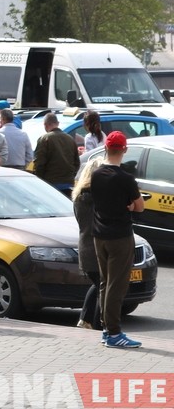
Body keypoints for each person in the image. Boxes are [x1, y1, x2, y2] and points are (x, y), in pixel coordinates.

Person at [90, 131, 145, 348]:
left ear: (105, 148)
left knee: (105, 283)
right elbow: (140, 206)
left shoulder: (96, 174)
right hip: (120, 236)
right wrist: (130, 205)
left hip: (99, 235)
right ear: (124, 150)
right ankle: (114, 333)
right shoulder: (125, 178)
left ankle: (106, 329)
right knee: (117, 285)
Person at [73, 157, 106, 332]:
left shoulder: (79, 196)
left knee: (98, 283)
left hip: (85, 246)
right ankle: (95, 322)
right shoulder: (95, 197)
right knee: (102, 283)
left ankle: (86, 320)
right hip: (96, 246)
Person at [34, 112, 80, 194]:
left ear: (45, 124)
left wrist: (39, 180)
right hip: (68, 183)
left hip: (50, 183)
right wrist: (70, 175)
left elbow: (39, 163)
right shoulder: (70, 139)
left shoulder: (44, 139)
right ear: (57, 123)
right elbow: (77, 162)